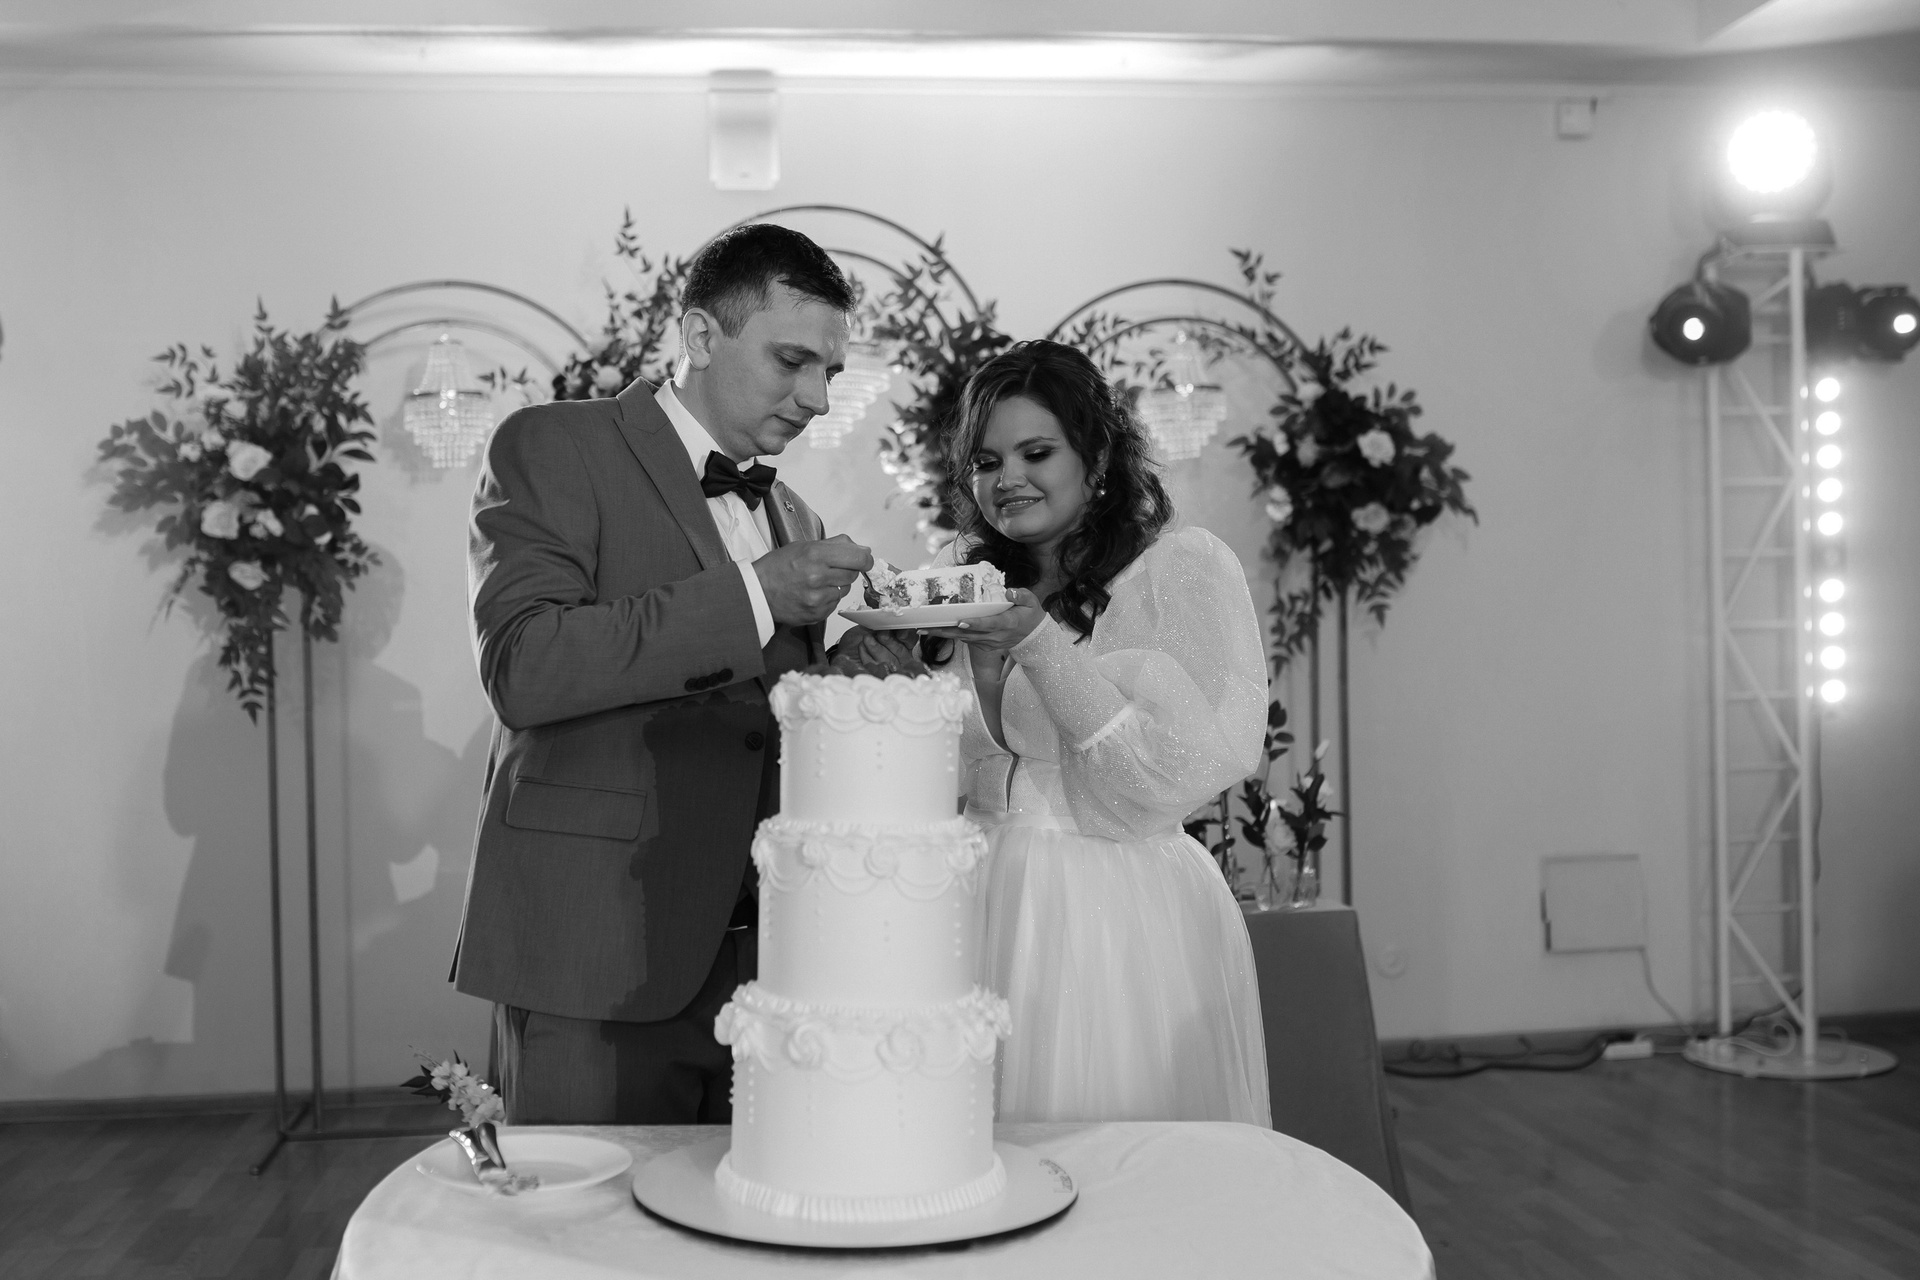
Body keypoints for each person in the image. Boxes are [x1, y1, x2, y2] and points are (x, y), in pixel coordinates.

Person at [455, 223, 900, 1123]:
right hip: (595, 949)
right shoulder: (552, 445)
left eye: (829, 372)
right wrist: (755, 594)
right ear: (700, 335)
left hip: (766, 970)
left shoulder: (795, 515)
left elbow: (763, 724)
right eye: (792, 362)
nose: (817, 399)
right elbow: (524, 665)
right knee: (587, 1210)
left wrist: (851, 676)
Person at [921, 339, 1272, 1125]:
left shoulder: (1176, 571)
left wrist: (1039, 643)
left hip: (1108, 904)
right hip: (969, 896)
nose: (1007, 479)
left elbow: (1172, 774)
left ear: (1098, 454)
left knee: (1102, 1146)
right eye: (986, 462)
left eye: (1036, 453)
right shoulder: (959, 577)